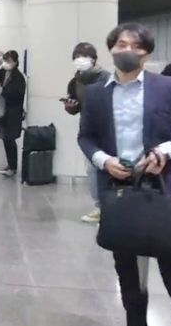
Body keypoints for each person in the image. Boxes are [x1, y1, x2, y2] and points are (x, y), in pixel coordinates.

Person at [78, 23, 171, 326]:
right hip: (120, 192)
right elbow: (86, 137)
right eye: (121, 44)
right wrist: (104, 160)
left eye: (135, 46)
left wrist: (166, 151)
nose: (127, 50)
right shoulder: (96, 94)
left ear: (146, 54)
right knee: (130, 280)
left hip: (166, 190)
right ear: (111, 49)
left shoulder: (169, 87)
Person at [62, 42, 111, 222]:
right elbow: (76, 106)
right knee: (92, 170)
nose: (79, 60)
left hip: (108, 129)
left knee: (109, 169)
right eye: (76, 57)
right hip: (88, 131)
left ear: (94, 59)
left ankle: (111, 208)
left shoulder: (106, 78)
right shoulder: (75, 82)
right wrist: (70, 107)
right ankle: (99, 207)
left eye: (83, 56)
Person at [0, 51, 26, 177]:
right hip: (6, 112)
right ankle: (10, 165)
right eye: (5, 60)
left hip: (13, 112)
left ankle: (13, 167)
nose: (5, 63)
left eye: (8, 61)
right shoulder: (7, 74)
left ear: (15, 62)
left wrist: (3, 91)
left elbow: (17, 94)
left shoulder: (18, 77)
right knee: (6, 139)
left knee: (10, 140)